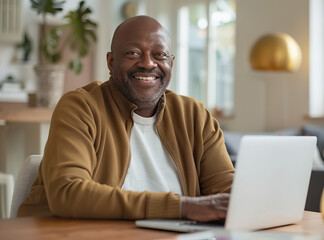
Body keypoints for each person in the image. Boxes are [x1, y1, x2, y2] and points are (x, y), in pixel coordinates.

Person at [18, 16, 235, 221]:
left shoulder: (195, 116)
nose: (148, 63)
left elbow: (227, 190)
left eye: (160, 54)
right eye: (133, 53)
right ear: (111, 62)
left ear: (172, 63)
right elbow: (68, 193)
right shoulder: (80, 107)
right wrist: (183, 207)